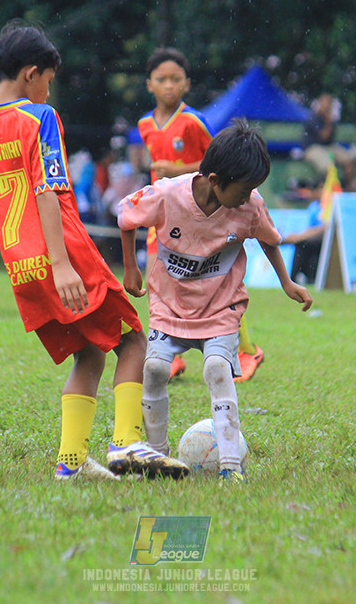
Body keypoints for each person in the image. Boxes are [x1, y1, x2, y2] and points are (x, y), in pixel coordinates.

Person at [0, 20, 188, 482]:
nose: (50, 90)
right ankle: (128, 443)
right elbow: (47, 191)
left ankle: (70, 463)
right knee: (132, 339)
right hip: (62, 252)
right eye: (49, 80)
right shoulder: (39, 117)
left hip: (21, 264)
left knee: (88, 353)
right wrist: (64, 264)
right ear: (31, 74)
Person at [117, 120, 313, 483]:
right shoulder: (166, 194)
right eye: (243, 188)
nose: (248, 195)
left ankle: (230, 468)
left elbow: (268, 239)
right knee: (155, 370)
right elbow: (126, 217)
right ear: (214, 180)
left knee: (217, 369)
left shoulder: (250, 206)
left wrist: (286, 282)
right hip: (170, 302)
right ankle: (159, 459)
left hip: (221, 305)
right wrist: (131, 269)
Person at [138, 47, 266, 383]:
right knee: (159, 280)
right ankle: (169, 353)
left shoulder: (193, 122)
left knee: (217, 284)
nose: (169, 85)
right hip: (165, 215)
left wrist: (175, 168)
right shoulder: (144, 125)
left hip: (201, 214)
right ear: (149, 84)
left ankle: (247, 349)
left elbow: (220, 163)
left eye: (176, 79)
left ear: (187, 84)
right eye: (162, 79)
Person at [302, 93, 356, 190]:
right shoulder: (313, 118)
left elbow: (330, 141)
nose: (328, 106)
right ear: (320, 103)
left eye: (330, 103)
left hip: (328, 147)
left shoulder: (331, 119)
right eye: (325, 103)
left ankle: (350, 187)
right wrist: (328, 120)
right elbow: (324, 136)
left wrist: (329, 120)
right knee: (329, 166)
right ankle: (331, 190)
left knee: (349, 158)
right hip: (312, 148)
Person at [282, 179, 326, 285]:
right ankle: (296, 278)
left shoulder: (329, 206)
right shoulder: (314, 206)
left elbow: (324, 227)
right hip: (314, 238)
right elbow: (311, 227)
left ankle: (295, 278)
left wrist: (300, 236)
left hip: (325, 239)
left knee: (301, 243)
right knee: (302, 243)